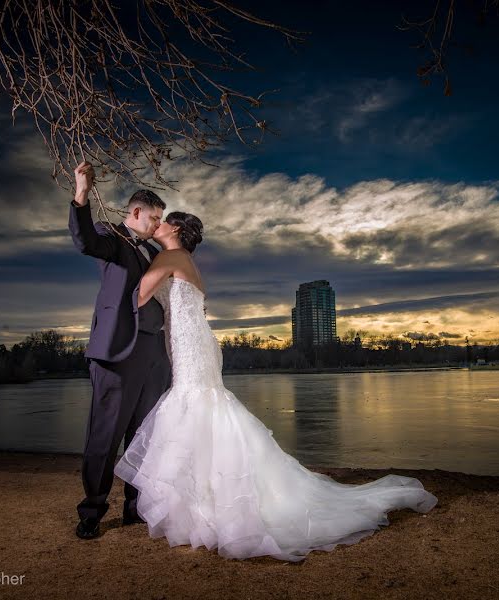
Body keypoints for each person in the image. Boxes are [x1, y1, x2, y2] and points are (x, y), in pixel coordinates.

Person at [113, 210, 438, 562]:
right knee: (203, 409)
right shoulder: (186, 259)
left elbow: (139, 295)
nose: (154, 224)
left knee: (195, 407)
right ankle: (204, 504)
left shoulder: (169, 255)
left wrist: (125, 256)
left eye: (160, 220)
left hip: (190, 345)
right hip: (194, 343)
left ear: (174, 228)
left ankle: (211, 507)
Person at [68, 161, 172, 539]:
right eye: (154, 218)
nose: (157, 225)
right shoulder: (111, 237)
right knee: (105, 436)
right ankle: (92, 512)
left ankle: (135, 507)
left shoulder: (153, 253)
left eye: (162, 220)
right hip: (117, 354)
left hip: (153, 357)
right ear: (136, 212)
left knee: (143, 437)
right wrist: (81, 194)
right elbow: (85, 242)